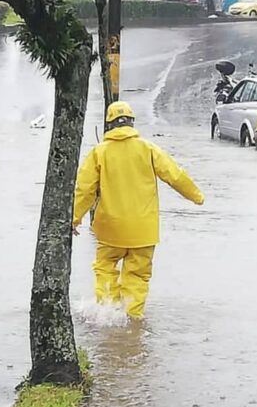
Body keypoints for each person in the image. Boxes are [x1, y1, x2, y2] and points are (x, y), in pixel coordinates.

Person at [72, 101, 204, 318]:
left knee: (105, 268)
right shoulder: (148, 148)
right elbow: (175, 175)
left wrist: (73, 219)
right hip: (144, 230)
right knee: (137, 277)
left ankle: (107, 314)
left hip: (110, 229)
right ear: (132, 122)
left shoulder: (99, 153)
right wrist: (196, 196)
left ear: (109, 124)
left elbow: (84, 190)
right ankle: (132, 321)